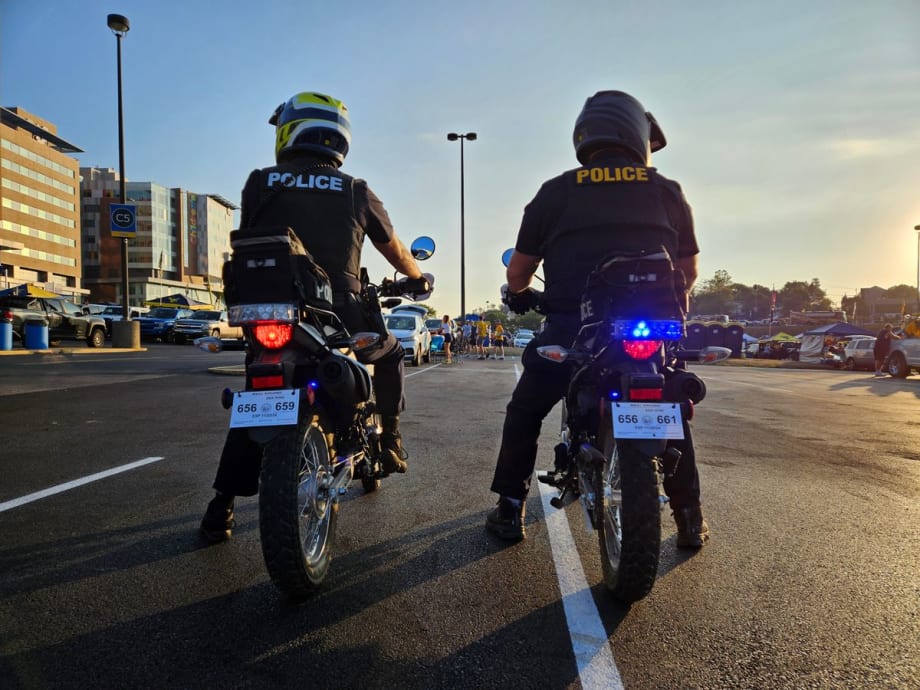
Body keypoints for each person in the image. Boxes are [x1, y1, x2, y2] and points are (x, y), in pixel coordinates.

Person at [200, 91, 427, 543]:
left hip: (272, 310)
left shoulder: (259, 183)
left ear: (289, 131)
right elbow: (396, 250)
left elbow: (256, 241)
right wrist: (417, 276)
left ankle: (221, 507)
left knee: (255, 397)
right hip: (340, 313)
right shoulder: (357, 191)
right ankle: (391, 439)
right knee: (390, 352)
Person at [486, 90, 707, 547]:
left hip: (575, 331)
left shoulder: (556, 191)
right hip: (649, 333)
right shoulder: (667, 191)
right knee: (669, 408)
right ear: (636, 136)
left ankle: (510, 508)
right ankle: (688, 517)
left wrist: (523, 294)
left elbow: (519, 271)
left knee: (526, 409)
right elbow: (688, 271)